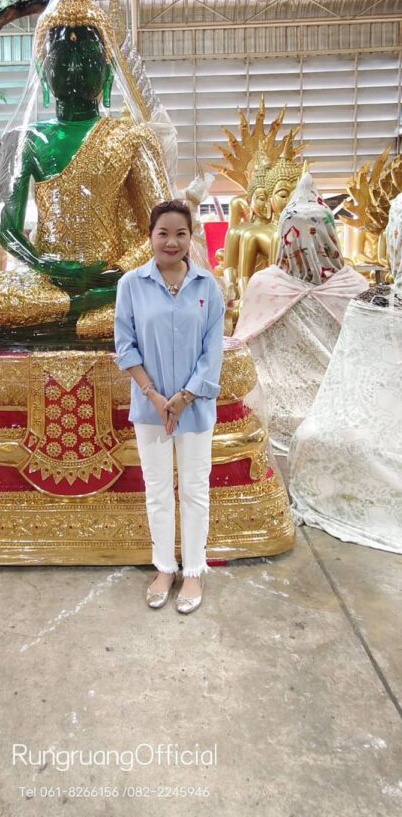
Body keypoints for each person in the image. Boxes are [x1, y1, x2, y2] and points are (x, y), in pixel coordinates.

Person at [114, 199, 225, 614]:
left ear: (191, 237)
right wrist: (155, 397)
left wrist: (184, 397)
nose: (172, 242)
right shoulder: (131, 285)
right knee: (158, 490)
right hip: (151, 411)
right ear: (150, 236)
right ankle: (164, 568)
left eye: (181, 233)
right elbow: (125, 346)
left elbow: (212, 352)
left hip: (194, 410)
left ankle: (193, 570)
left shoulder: (207, 287)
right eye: (163, 233)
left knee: (194, 490)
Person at [288, 192, 402, 552]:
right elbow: (351, 373)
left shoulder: (358, 290)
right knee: (311, 437)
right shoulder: (373, 302)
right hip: (361, 401)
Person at [234, 173, 368, 453]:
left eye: (313, 233)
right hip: (291, 397)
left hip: (328, 398)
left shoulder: (353, 287)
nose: (306, 245)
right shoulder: (266, 285)